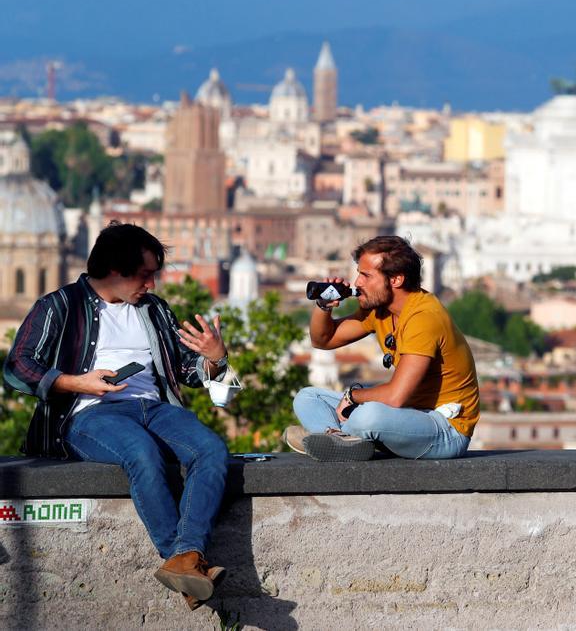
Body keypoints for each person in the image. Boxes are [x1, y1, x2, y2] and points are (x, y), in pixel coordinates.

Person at [3, 222, 231, 611]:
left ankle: (185, 558)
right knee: (141, 453)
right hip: (90, 413)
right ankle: (182, 558)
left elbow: (186, 373)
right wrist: (77, 383)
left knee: (211, 448)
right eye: (144, 275)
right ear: (113, 270)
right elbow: (16, 368)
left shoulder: (154, 310)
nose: (152, 285)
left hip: (156, 408)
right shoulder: (59, 305)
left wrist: (214, 358)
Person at [287, 236, 478, 462]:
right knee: (307, 397)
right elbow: (323, 340)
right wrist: (323, 305)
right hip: (407, 414)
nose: (357, 282)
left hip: (446, 429)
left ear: (396, 279)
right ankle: (339, 438)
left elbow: (396, 396)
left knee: (368, 415)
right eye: (359, 273)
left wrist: (353, 396)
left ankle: (333, 435)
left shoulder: (424, 318)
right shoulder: (379, 310)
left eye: (366, 275)